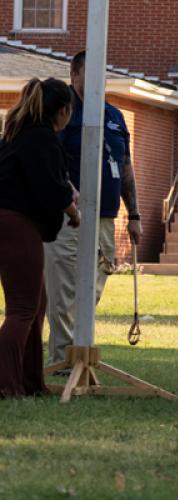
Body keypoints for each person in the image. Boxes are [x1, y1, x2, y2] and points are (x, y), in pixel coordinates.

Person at [45, 51, 142, 366]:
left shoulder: (113, 116)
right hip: (68, 218)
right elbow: (51, 164)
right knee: (65, 290)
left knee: (93, 287)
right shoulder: (62, 112)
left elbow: (126, 168)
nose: (99, 79)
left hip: (105, 217)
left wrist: (135, 215)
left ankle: (80, 350)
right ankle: (62, 360)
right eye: (92, 71)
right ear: (74, 73)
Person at [0, 78, 80, 398]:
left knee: (37, 303)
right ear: (62, 111)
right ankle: (5, 385)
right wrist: (74, 212)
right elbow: (50, 187)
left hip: (11, 223)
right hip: (16, 225)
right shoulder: (42, 139)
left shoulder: (15, 136)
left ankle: (31, 382)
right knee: (22, 309)